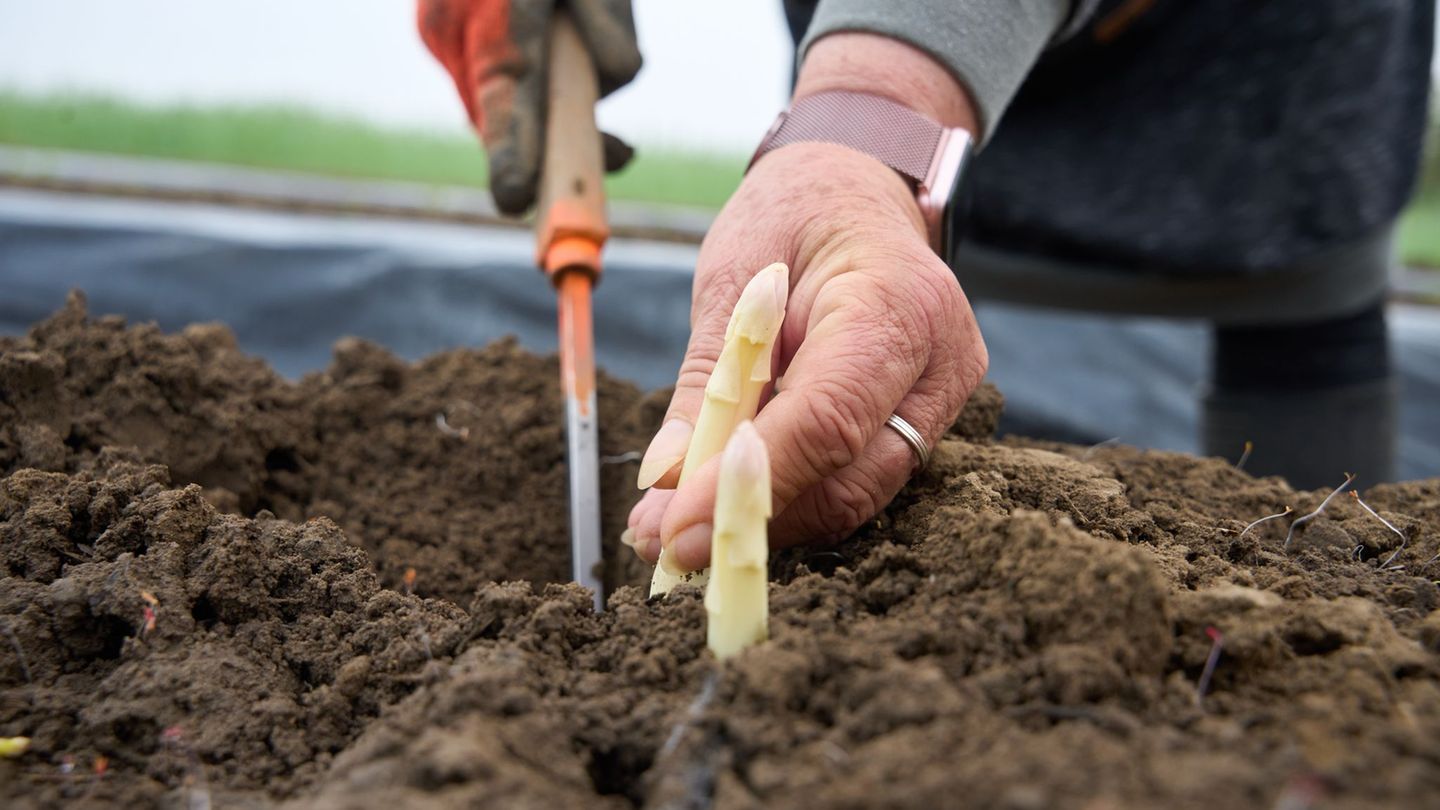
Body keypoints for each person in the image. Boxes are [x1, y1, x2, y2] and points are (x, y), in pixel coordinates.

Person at [419, 0, 1436, 576]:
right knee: (875, 305)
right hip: (908, 69)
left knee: (1317, 482)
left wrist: (873, 117)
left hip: (1257, 85)